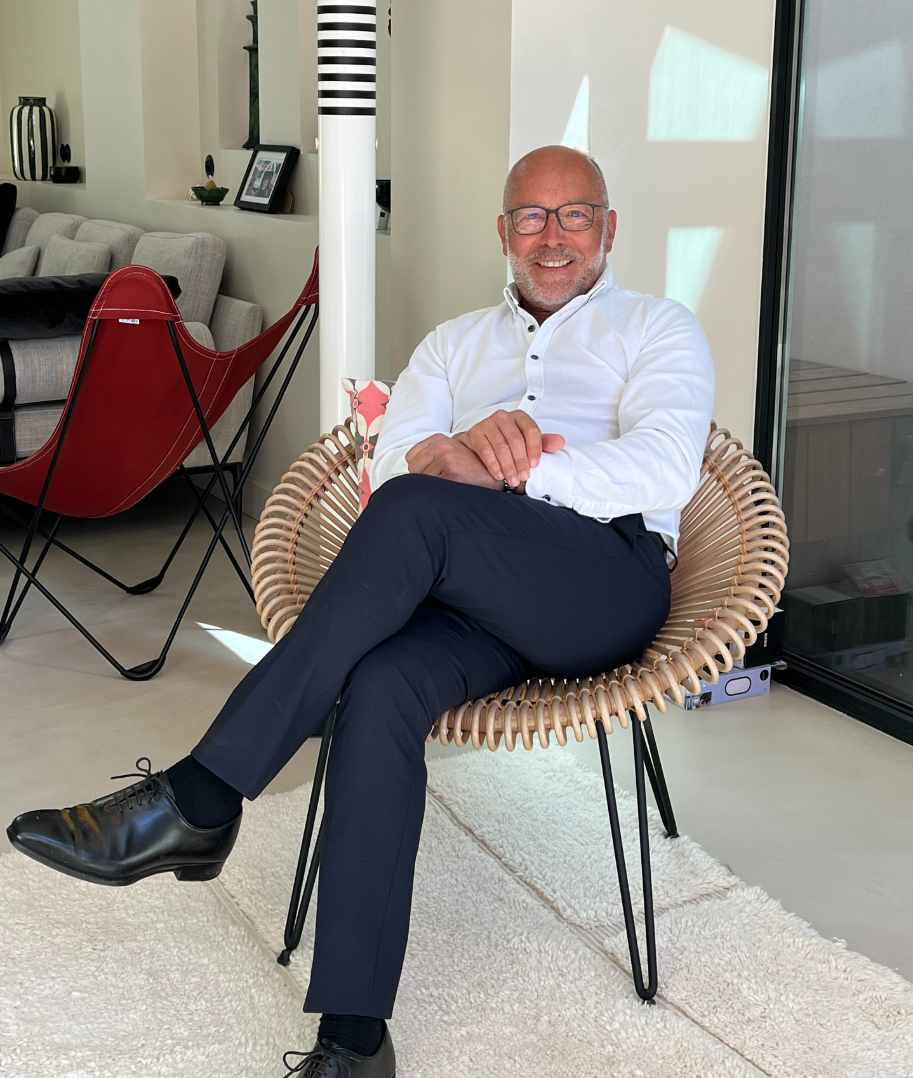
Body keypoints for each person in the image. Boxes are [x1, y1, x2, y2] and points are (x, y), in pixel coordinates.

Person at [7, 145, 715, 1078]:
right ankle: (353, 1040)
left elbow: (664, 467)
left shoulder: (658, 329)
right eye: (531, 217)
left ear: (608, 226)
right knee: (380, 686)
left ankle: (202, 796)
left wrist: (514, 467)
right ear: (503, 233)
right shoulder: (453, 344)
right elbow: (392, 460)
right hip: (470, 591)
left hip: (600, 583)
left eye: (574, 213)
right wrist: (450, 459)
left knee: (420, 510)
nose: (553, 236)